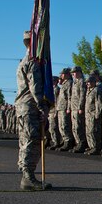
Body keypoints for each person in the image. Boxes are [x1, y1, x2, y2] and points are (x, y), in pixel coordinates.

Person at [15, 30, 52, 190]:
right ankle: (28, 177)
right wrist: (42, 106)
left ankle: (26, 173)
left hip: (24, 107)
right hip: (30, 106)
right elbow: (35, 88)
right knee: (32, 140)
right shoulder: (32, 62)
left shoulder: (25, 60)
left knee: (25, 140)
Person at [84, 73, 102, 155]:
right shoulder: (88, 91)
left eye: (89, 82)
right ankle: (91, 146)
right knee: (88, 131)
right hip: (88, 114)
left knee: (93, 131)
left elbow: (98, 103)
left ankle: (96, 147)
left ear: (93, 82)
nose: (87, 83)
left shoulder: (97, 90)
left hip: (93, 114)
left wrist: (97, 114)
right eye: (87, 82)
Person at [69, 66, 87, 152]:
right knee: (74, 127)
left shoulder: (82, 82)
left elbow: (82, 95)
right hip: (73, 107)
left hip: (77, 108)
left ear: (79, 72)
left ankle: (81, 143)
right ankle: (77, 143)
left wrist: (80, 107)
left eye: (74, 72)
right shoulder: (75, 82)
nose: (73, 74)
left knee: (78, 127)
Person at [55, 67, 73, 151]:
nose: (61, 75)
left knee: (65, 125)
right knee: (61, 125)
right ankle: (64, 140)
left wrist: (69, 107)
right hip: (60, 107)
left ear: (67, 74)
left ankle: (68, 141)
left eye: (62, 74)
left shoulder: (69, 83)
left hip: (65, 107)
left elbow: (70, 97)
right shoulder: (64, 84)